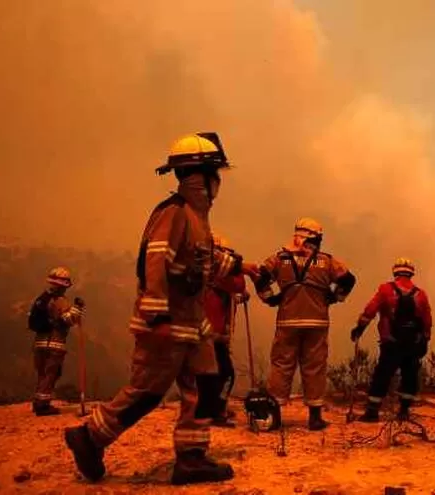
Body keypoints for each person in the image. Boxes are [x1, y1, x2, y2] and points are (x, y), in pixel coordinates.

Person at [64, 132, 257, 485]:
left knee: (206, 384)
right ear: (201, 175)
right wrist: (158, 317)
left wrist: (244, 267)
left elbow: (201, 262)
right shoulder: (174, 213)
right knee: (147, 393)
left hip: (192, 324)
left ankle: (191, 459)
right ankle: (89, 437)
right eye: (216, 174)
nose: (219, 183)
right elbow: (154, 263)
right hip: (168, 323)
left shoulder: (198, 218)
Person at [254, 217, 356, 430]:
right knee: (315, 367)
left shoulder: (279, 258)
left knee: (282, 366)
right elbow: (348, 280)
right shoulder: (327, 261)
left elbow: (259, 275)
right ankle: (315, 417)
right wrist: (335, 297)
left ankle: (274, 417)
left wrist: (269, 298)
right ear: (316, 238)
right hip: (317, 322)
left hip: (287, 321)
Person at [351, 257, 432, 422]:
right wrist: (424, 340)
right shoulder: (421, 294)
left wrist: (359, 328)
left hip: (391, 341)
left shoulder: (386, 289)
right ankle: (403, 411)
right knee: (410, 375)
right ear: (411, 273)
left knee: (382, 375)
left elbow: (370, 310)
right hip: (412, 343)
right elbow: (427, 321)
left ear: (395, 271)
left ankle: (372, 412)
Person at [195, 233, 248, 428]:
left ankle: (208, 409)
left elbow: (233, 291)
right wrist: (238, 268)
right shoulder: (216, 274)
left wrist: (239, 297)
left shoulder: (206, 275)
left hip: (208, 333)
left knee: (207, 374)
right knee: (226, 374)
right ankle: (215, 411)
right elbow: (238, 284)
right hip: (212, 334)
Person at [27, 266, 86, 416]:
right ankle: (43, 405)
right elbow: (66, 320)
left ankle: (38, 401)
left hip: (39, 344)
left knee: (42, 373)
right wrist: (77, 309)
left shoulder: (41, 299)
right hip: (55, 344)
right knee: (51, 374)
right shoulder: (59, 301)